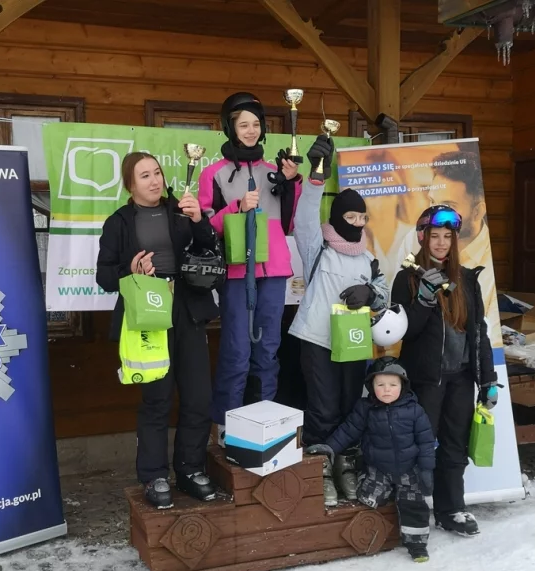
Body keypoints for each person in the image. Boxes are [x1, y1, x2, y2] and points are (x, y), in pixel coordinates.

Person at [96, 152, 220, 510]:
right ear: (130, 184)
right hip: (147, 310)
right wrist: (129, 269)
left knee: (198, 396)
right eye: (144, 175)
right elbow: (104, 276)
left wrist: (199, 221)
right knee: (157, 400)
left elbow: (208, 248)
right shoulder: (119, 222)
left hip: (186, 306)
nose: (154, 180)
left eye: (157, 172)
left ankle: (190, 469)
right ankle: (154, 475)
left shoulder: (180, 210)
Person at [288, 134, 390, 506]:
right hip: (317, 339)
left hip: (355, 344)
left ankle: (346, 467)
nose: (357, 222)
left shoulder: (367, 259)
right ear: (337, 219)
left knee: (351, 407)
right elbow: (302, 219)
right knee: (323, 407)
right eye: (351, 216)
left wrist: (371, 294)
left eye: (362, 217)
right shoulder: (320, 247)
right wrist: (317, 176)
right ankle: (321, 472)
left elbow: (384, 294)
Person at [390, 205, 501, 536]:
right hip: (426, 379)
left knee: (455, 445)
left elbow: (478, 332)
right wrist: (423, 299)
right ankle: (413, 508)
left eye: (447, 237)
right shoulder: (407, 278)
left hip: (462, 377)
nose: (440, 243)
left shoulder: (467, 279)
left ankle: (452, 508)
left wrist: (489, 380)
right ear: (423, 239)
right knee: (421, 446)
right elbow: (403, 333)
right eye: (434, 236)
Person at [198, 92, 301, 441]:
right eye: (243, 124)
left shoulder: (274, 171)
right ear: (230, 127)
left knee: (268, 349)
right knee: (238, 350)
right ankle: (228, 425)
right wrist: (237, 208)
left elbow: (287, 224)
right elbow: (205, 222)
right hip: (237, 271)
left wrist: (292, 184)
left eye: (256, 124)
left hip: (272, 271)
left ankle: (265, 421)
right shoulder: (214, 173)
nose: (251, 131)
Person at [305, 357, 436, 563]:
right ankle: (383, 503)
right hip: (379, 467)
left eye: (393, 385)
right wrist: (329, 447)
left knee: (414, 504)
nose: (386, 390)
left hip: (409, 469)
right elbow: (348, 430)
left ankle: (417, 544)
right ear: (371, 386)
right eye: (380, 385)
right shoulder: (366, 408)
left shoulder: (414, 411)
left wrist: (427, 470)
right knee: (367, 499)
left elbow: (427, 442)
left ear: (402, 386)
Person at [393, 150, 501, 347]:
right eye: (433, 202)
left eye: (449, 206)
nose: (438, 214)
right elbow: (402, 325)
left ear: (478, 212)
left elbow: (485, 337)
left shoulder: (482, 269)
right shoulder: (414, 238)